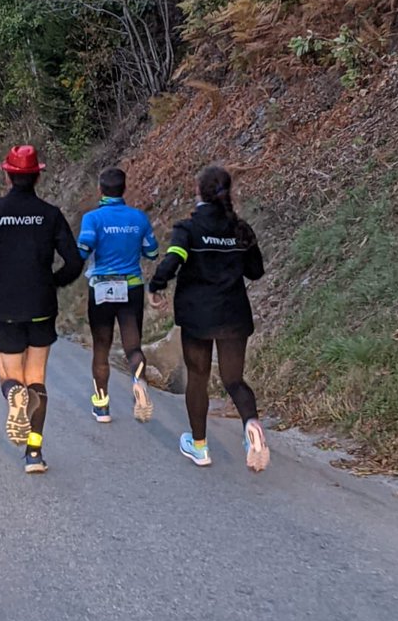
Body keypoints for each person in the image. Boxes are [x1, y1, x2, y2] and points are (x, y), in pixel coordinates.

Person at [0, 144, 82, 473]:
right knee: (38, 379)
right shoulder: (51, 214)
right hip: (42, 303)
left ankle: (13, 395)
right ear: (37, 175)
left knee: (9, 375)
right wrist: (54, 282)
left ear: (8, 174)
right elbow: (74, 261)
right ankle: (34, 453)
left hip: (7, 306)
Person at [148, 165, 270, 472]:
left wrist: (156, 286)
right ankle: (251, 425)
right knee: (234, 380)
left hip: (198, 317)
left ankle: (200, 447)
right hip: (233, 316)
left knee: (198, 379)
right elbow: (255, 272)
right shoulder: (240, 229)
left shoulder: (188, 229)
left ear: (197, 192)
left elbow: (173, 259)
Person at [77, 166, 159, 423]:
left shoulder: (92, 219)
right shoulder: (139, 218)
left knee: (101, 347)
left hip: (101, 287)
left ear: (100, 190)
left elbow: (82, 251)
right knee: (132, 346)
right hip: (132, 287)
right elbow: (153, 252)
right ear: (124, 189)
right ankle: (139, 381)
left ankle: (101, 405)